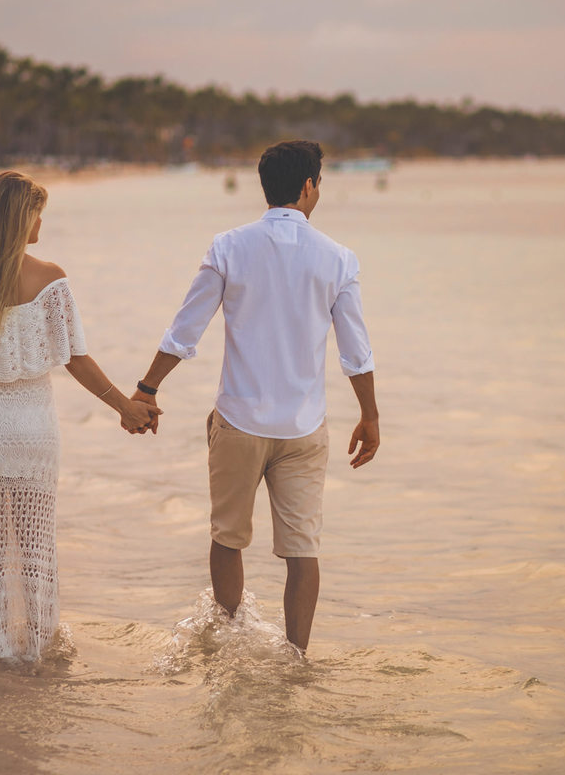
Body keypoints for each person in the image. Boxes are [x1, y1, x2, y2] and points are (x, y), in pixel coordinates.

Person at [129, 140, 379, 652]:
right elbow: (356, 352)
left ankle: (225, 643)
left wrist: (147, 389)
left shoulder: (228, 246)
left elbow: (185, 331)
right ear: (308, 187)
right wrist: (370, 416)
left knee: (227, 538)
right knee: (302, 551)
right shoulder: (338, 258)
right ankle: (297, 662)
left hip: (238, 423)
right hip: (304, 430)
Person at [0, 170, 159, 661]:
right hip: (31, 427)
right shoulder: (50, 278)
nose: (41, 220)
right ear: (17, 217)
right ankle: (40, 654)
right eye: (36, 211)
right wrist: (125, 406)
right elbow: (75, 358)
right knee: (36, 551)